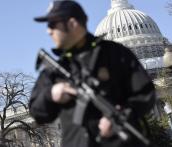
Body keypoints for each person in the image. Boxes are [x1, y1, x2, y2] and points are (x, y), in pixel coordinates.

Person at [29, 1, 156, 147]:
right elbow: (37, 112)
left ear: (72, 24)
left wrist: (124, 115)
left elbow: (146, 93)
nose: (48, 31)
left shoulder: (115, 53)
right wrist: (51, 94)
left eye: (52, 25)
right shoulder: (55, 70)